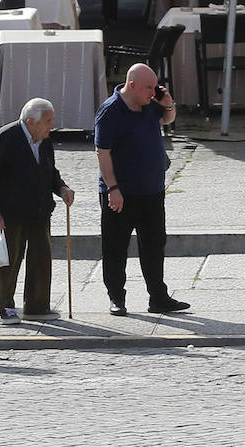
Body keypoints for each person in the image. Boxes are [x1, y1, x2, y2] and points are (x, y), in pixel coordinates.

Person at [97, 63, 188, 316]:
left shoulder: (150, 103)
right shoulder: (110, 111)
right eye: (149, 87)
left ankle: (158, 297)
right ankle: (117, 297)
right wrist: (112, 188)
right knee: (115, 248)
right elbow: (102, 153)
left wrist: (168, 103)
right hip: (121, 193)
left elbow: (167, 119)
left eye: (155, 86)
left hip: (152, 189)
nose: (153, 91)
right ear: (132, 85)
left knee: (154, 245)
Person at [0, 98, 74, 324]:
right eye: (48, 121)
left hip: (39, 211)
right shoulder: (7, 138)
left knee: (41, 259)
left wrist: (61, 188)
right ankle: (5, 307)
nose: (51, 126)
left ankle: (37, 305)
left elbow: (50, 171)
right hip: (10, 214)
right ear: (31, 121)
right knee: (8, 260)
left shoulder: (44, 141)